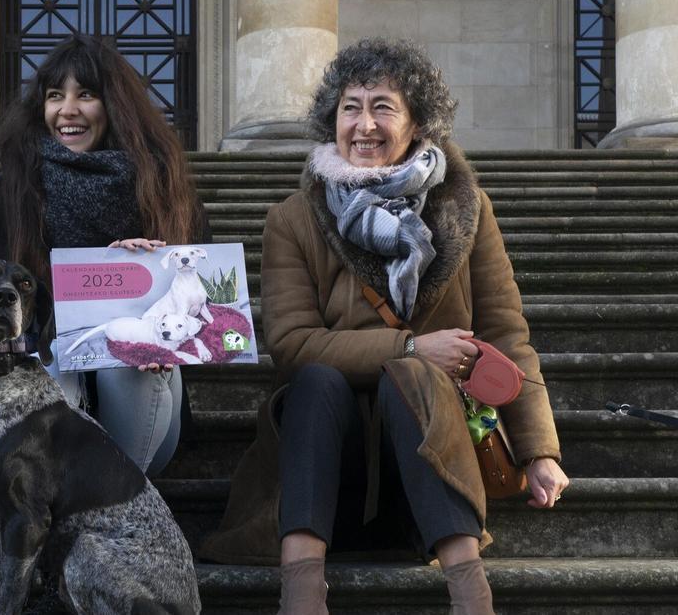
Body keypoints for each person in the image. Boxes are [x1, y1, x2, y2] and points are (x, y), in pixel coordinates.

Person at [199, 39, 570, 614]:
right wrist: (414, 344)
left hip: (425, 462)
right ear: (332, 119)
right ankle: (301, 595)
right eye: (351, 107)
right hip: (325, 467)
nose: (364, 125)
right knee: (320, 379)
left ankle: (471, 596)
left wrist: (538, 450)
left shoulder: (465, 210)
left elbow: (505, 332)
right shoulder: (294, 218)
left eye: (383, 107)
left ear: (417, 121)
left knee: (414, 380)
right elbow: (292, 344)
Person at [0, 34, 209, 477]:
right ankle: (86, 512)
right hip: (53, 377)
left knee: (128, 360)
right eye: (55, 96)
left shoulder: (167, 195)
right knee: (49, 359)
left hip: (146, 400)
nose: (68, 110)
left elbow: (205, 297)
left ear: (115, 106)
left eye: (86, 95)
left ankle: (106, 505)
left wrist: (152, 264)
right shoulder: (6, 199)